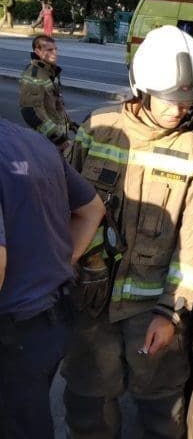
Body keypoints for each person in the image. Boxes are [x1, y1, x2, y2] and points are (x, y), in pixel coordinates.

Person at [61, 25, 193, 438]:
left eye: (187, 100)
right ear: (142, 87)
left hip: (151, 315)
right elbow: (61, 206)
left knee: (161, 412)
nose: (178, 109)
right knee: (88, 407)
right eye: (170, 98)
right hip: (90, 306)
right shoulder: (100, 128)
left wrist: (170, 314)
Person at [0, 118, 105, 439]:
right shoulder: (34, 143)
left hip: (12, 332)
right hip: (50, 320)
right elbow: (92, 210)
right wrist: (62, 259)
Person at [19, 34, 76, 151]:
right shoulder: (34, 75)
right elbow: (31, 113)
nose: (55, 53)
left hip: (57, 140)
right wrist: (58, 138)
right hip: (46, 142)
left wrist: (72, 125)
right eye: (49, 50)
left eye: (55, 49)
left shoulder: (49, 71)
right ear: (37, 51)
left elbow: (56, 105)